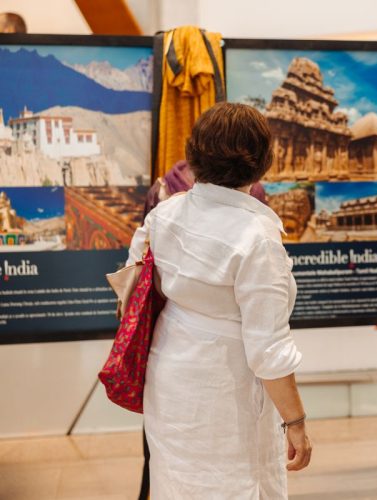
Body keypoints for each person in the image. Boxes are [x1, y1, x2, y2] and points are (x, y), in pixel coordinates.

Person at [127, 102, 311, 498]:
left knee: (175, 482)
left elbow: (138, 289)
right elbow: (269, 351)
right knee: (232, 485)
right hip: (225, 392)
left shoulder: (166, 214)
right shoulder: (257, 238)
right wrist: (295, 422)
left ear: (194, 153)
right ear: (263, 161)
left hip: (169, 375)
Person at [136, 158, 270, 500]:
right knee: (232, 474)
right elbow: (269, 338)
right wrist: (296, 419)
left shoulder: (163, 201)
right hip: (231, 367)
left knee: (174, 471)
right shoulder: (257, 217)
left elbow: (137, 278)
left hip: (168, 355)